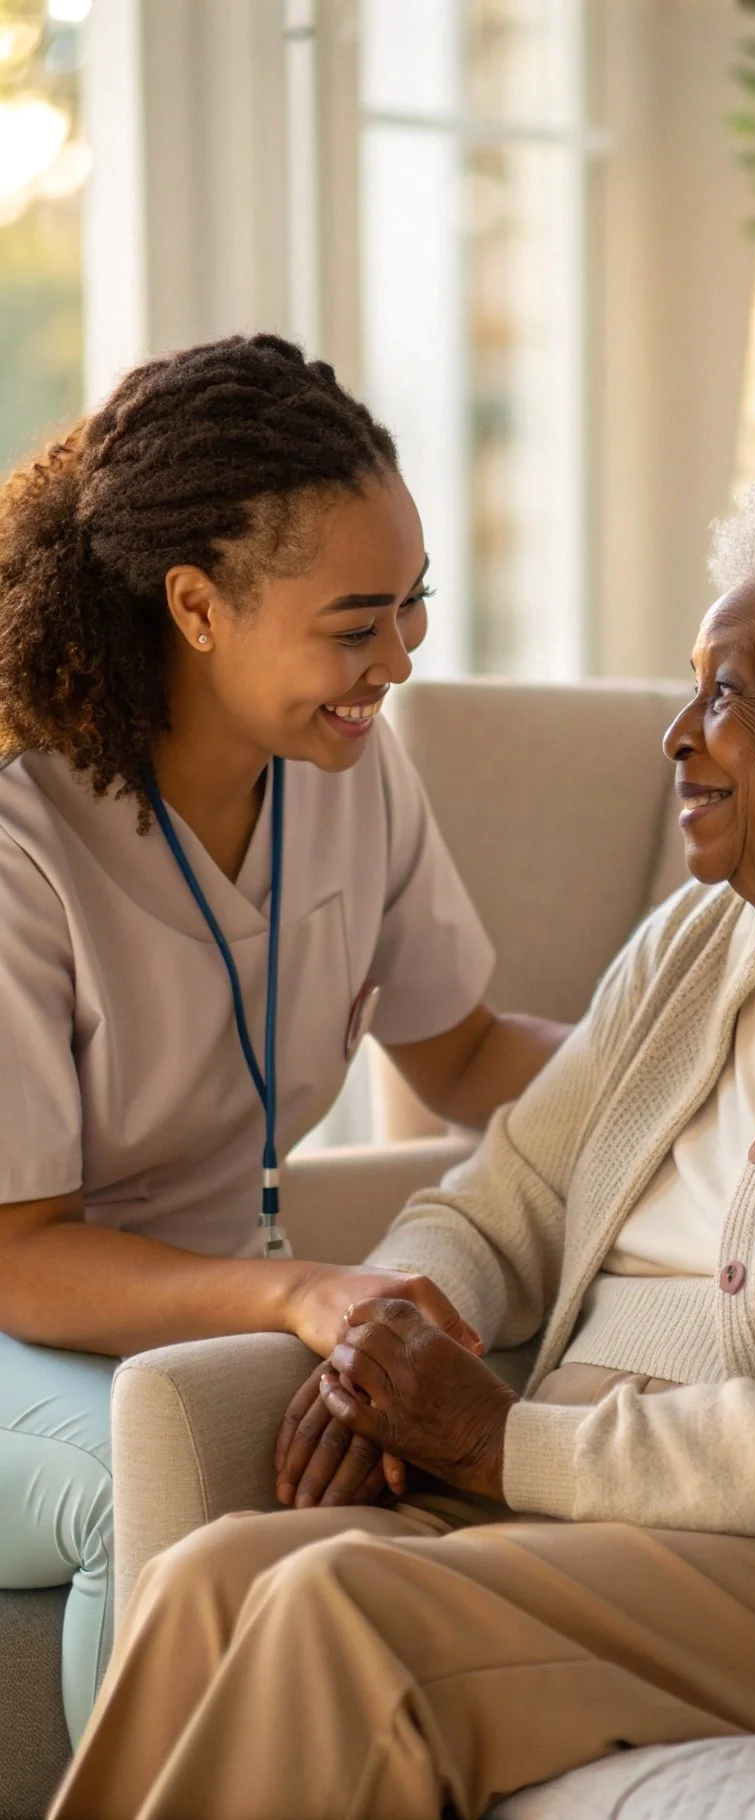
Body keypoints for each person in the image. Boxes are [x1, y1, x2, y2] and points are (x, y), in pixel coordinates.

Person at [49, 481, 755, 1820]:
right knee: (218, 1574)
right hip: (601, 1502)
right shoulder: (699, 940)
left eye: (728, 693)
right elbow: (504, 1194)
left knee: (344, 1609)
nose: (679, 737)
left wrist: (502, 1441)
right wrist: (386, 1348)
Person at [0, 333, 567, 1746]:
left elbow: (465, 1054)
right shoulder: (23, 834)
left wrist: (703, 1068)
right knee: (160, 1492)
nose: (401, 658)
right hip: (26, 1316)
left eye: (414, 605)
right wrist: (300, 1295)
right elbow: (23, 1249)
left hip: (201, 1314)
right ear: (197, 605)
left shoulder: (354, 778)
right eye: (356, 621)